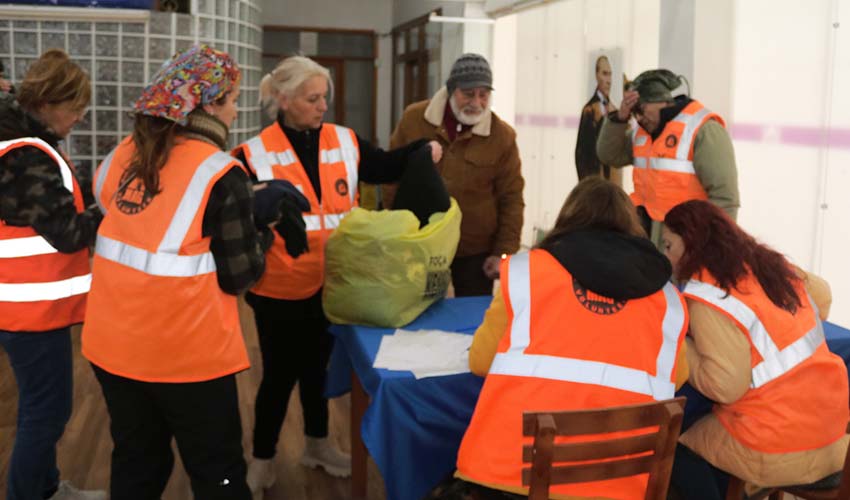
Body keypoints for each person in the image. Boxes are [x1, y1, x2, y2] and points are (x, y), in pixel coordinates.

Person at [81, 45, 304, 499]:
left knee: (137, 463)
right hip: (185, 359)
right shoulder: (220, 173)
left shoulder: (122, 155)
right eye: (232, 98)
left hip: (113, 350)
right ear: (207, 106)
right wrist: (263, 224)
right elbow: (240, 276)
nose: (236, 107)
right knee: (216, 470)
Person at [231, 55, 443, 495]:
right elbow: (235, 213)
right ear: (285, 100)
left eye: (324, 96)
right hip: (280, 288)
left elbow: (384, 165)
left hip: (335, 283)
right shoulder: (253, 153)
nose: (321, 105)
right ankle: (263, 459)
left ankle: (318, 445)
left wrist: (422, 151)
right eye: (312, 98)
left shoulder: (345, 140)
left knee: (317, 371)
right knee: (277, 377)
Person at [424, 177, 689, 499]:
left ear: (568, 220)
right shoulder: (668, 299)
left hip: (512, 475)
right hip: (621, 484)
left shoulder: (526, 272)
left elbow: (480, 361)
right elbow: (675, 379)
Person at [662, 200, 849, 499]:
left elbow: (724, 387)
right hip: (831, 432)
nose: (665, 256)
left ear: (692, 247)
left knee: (673, 446)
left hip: (778, 444)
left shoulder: (708, 296)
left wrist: (681, 341)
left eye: (669, 245)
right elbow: (822, 298)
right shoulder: (768, 265)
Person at [0, 49, 105, 500]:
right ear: (46, 104)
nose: (80, 117)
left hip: (27, 306)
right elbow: (67, 233)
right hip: (30, 311)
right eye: (75, 107)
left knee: (42, 408)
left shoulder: (21, 146)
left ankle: (45, 487)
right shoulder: (26, 157)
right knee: (47, 412)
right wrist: (115, 211)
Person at [385, 53, 525, 297]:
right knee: (418, 311)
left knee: (472, 321)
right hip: (421, 243)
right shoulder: (415, 120)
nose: (477, 102)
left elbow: (511, 198)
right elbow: (391, 176)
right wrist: (398, 231)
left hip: (474, 249)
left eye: (484, 95)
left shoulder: (502, 137)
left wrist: (502, 253)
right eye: (468, 94)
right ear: (451, 91)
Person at [596, 68, 739, 243]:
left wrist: (712, 248)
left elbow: (725, 198)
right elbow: (609, 155)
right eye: (634, 112)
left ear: (664, 102)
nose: (639, 118)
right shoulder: (642, 133)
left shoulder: (703, 129)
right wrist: (619, 118)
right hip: (649, 238)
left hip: (687, 242)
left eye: (641, 108)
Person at [574, 55, 620, 184]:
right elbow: (581, 153)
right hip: (594, 182)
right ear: (597, 75)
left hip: (612, 185)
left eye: (610, 75)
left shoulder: (614, 110)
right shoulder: (590, 110)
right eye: (604, 74)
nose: (608, 80)